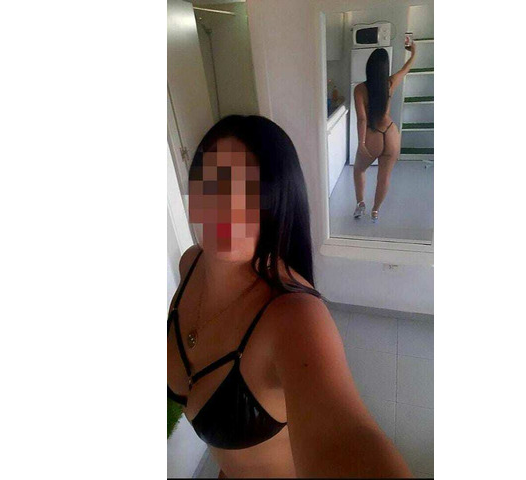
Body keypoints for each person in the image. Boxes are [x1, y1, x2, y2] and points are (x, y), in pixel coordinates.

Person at [167, 115, 412, 478]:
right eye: (213, 183)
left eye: (251, 193)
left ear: (278, 204)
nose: (226, 208)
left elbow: (344, 440)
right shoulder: (189, 263)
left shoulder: (295, 318)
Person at [353, 38, 417, 223]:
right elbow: (406, 68)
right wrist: (413, 52)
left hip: (372, 134)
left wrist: (361, 143)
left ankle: (360, 204)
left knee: (358, 170)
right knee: (384, 177)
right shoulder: (390, 83)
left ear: (369, 67)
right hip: (390, 133)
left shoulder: (360, 89)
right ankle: (375, 211)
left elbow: (362, 118)